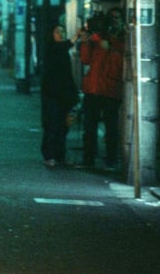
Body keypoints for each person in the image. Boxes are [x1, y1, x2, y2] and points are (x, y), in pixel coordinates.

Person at [78, 11, 124, 170]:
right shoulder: (97, 39)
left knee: (111, 128)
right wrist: (86, 42)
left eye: (117, 18)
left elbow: (119, 64)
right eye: (112, 19)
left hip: (111, 89)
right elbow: (85, 60)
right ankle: (88, 158)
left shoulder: (123, 38)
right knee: (89, 127)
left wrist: (110, 46)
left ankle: (111, 159)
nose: (114, 22)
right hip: (93, 88)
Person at [40, 24, 79, 167]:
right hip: (51, 93)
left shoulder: (62, 50)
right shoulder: (51, 48)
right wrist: (76, 36)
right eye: (57, 31)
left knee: (63, 126)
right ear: (51, 34)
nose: (60, 34)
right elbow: (63, 46)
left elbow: (68, 75)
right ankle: (49, 155)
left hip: (64, 94)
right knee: (51, 125)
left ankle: (60, 155)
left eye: (62, 31)